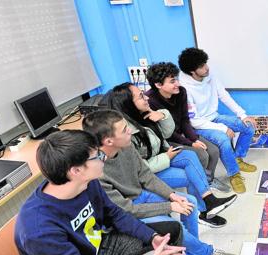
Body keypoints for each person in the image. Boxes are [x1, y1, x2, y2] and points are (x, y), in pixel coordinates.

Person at [15, 130, 210, 255]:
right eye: (97, 156)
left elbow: (115, 214)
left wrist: (151, 237)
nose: (103, 158)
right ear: (76, 170)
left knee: (171, 231)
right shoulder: (39, 228)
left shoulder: (86, 182)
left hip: (99, 249)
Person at [82, 110, 237, 255]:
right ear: (108, 141)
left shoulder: (126, 146)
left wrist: (172, 195)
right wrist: (169, 206)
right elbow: (127, 211)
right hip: (125, 213)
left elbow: (146, 176)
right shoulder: (96, 172)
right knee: (174, 227)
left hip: (140, 195)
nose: (130, 131)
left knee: (189, 203)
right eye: (124, 129)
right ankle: (207, 253)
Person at [108, 82, 236, 227]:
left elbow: (167, 133)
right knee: (191, 176)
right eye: (141, 96)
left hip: (160, 156)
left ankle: (209, 201)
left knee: (191, 157)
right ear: (128, 104)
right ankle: (204, 210)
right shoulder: (125, 134)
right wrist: (165, 157)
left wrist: (162, 115)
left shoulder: (143, 115)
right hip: (148, 172)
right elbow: (139, 169)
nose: (146, 98)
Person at [178, 47, 257, 194]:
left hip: (214, 116)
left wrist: (242, 115)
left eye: (205, 63)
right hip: (200, 124)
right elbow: (194, 121)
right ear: (192, 72)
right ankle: (234, 174)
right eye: (201, 66)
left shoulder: (209, 76)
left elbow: (224, 96)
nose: (207, 68)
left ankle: (238, 159)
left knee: (248, 126)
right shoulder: (184, 89)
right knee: (223, 139)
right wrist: (222, 128)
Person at [144, 62, 231, 193]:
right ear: (158, 85)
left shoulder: (181, 92)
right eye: (172, 81)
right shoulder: (150, 101)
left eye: (177, 79)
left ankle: (208, 180)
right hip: (167, 139)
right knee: (202, 155)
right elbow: (164, 133)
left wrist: (194, 139)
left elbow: (185, 120)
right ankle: (199, 187)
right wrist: (190, 143)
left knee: (213, 151)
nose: (177, 84)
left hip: (182, 133)